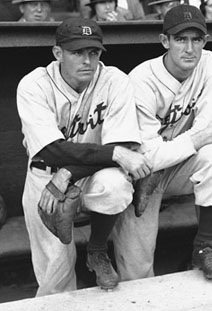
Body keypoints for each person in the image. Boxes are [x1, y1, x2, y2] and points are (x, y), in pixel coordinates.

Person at [16, 17, 150, 295]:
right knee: (55, 275)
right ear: (58, 54)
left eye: (93, 52)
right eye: (77, 52)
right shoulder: (33, 85)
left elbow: (122, 145)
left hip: (91, 174)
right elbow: (49, 150)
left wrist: (69, 172)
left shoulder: (114, 79)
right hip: (46, 180)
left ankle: (97, 249)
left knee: (115, 185)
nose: (87, 60)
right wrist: (112, 153)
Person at [113, 5, 212, 282]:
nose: (190, 48)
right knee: (137, 267)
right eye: (181, 39)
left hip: (179, 164)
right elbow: (148, 156)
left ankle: (203, 247)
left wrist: (199, 138)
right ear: (164, 41)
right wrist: (199, 137)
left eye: (196, 39)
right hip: (141, 174)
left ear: (205, 41)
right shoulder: (140, 80)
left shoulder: (209, 62)